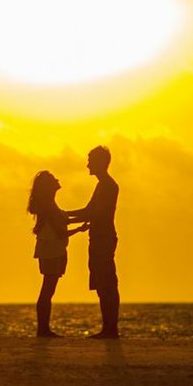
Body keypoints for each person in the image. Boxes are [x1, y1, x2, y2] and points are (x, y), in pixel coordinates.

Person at [27, 170, 87, 338]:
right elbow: (61, 232)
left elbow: (64, 219)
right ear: (48, 186)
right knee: (47, 290)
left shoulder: (50, 205)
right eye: (53, 179)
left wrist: (84, 216)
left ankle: (43, 329)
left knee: (47, 289)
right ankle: (43, 330)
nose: (57, 180)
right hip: (52, 252)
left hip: (51, 250)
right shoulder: (49, 206)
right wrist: (80, 229)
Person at [68, 145, 120, 338]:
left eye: (90, 161)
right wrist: (64, 216)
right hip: (98, 238)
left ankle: (111, 329)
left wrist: (63, 218)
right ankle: (108, 328)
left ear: (100, 162)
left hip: (103, 239)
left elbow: (93, 213)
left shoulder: (108, 186)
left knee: (107, 284)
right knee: (102, 284)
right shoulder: (102, 185)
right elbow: (88, 210)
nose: (88, 165)